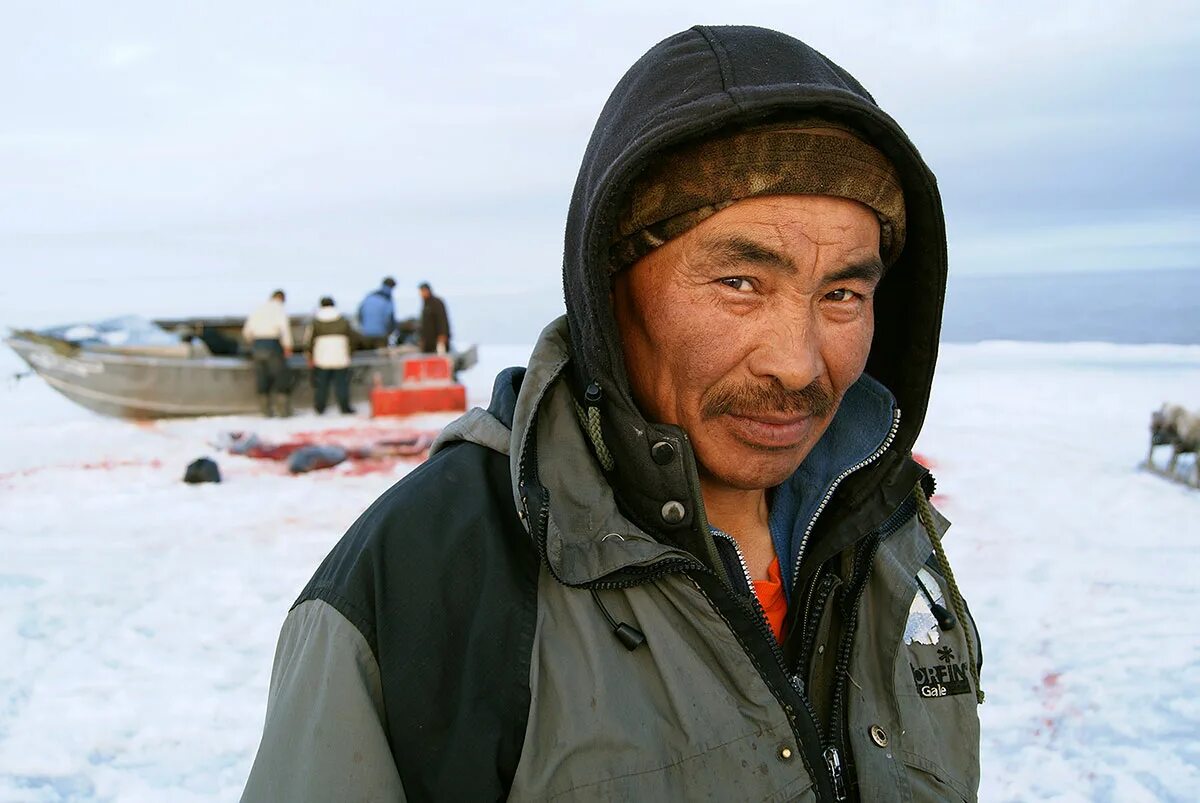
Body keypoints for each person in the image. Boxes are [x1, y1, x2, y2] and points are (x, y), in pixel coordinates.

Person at [243, 26, 983, 802]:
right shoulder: (433, 577)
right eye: (738, 282)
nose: (797, 363)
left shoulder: (891, 535)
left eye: (842, 294)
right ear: (609, 287)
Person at [241, 289, 292, 417]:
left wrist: (252, 342)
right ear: (281, 299)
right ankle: (283, 410)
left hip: (257, 345)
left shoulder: (258, 309)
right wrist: (288, 346)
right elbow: (284, 329)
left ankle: (265, 410)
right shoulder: (279, 309)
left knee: (262, 377)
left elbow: (246, 332)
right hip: (273, 344)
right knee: (280, 376)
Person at [304, 296, 357, 415]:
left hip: (322, 357)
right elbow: (353, 338)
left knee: (322, 385)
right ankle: (344, 407)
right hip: (340, 355)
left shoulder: (315, 321)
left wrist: (310, 356)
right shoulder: (343, 320)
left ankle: (320, 408)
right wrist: (350, 352)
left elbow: (309, 341)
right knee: (342, 383)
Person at [357, 277, 397, 349]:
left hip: (366, 334)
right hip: (381, 335)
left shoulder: (368, 297)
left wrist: (363, 328)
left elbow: (360, 314)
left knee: (367, 356)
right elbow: (391, 319)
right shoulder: (387, 299)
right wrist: (390, 332)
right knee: (380, 358)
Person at [417, 281, 451, 354]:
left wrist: (442, 334)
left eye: (423, 291)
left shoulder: (436, 302)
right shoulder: (425, 304)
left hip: (438, 339)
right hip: (428, 341)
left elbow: (442, 319)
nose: (421, 294)